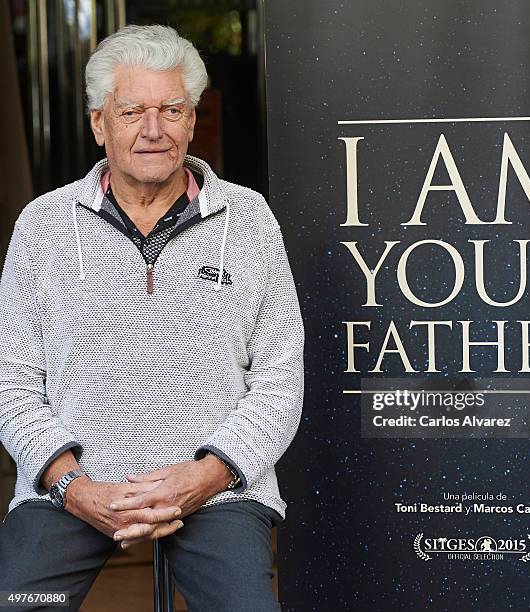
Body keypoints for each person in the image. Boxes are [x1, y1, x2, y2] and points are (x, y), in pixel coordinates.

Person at [0, 24, 304, 611]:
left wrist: (206, 476)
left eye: (171, 109)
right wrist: (73, 487)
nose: (152, 129)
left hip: (218, 488)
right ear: (98, 124)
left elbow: (279, 380)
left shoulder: (249, 220)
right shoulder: (42, 226)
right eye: (132, 110)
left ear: (192, 121)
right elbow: (13, 387)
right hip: (74, 488)